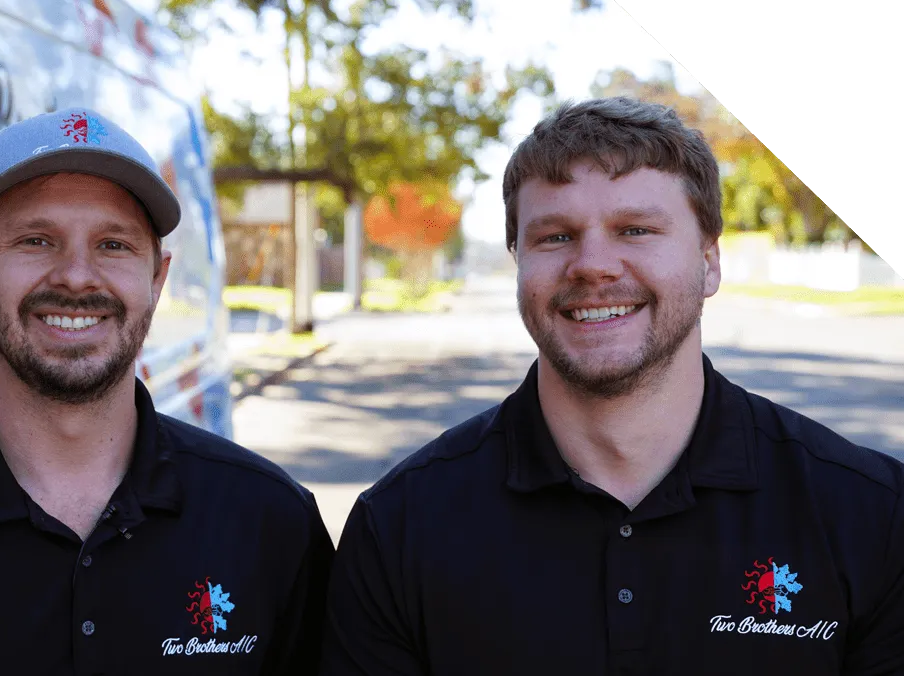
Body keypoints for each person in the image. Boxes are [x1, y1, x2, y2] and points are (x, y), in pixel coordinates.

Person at [320, 97, 904, 675]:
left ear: (709, 262)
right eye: (554, 237)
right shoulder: (399, 527)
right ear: (518, 262)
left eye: (635, 229)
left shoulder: (870, 514)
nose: (593, 265)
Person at [0, 108, 333, 674]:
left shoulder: (270, 522)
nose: (77, 276)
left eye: (113, 245)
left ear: (157, 278)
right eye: (36, 239)